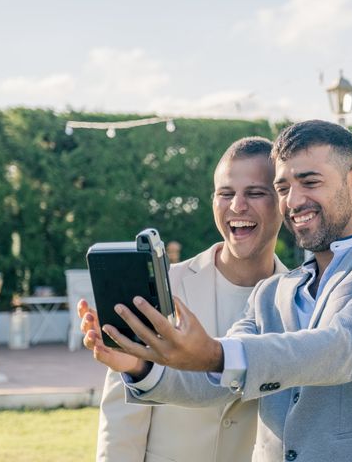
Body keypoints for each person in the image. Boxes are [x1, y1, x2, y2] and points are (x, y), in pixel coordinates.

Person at [84, 120, 352, 462]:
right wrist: (139, 366)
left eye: (310, 182)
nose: (293, 201)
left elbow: (346, 345)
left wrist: (212, 352)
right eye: (282, 188)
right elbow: (219, 382)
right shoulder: (270, 293)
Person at [79, 137, 286, 462]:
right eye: (226, 193)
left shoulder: (301, 300)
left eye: (256, 192)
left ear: (283, 201)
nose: (237, 206)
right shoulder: (162, 286)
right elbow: (122, 419)